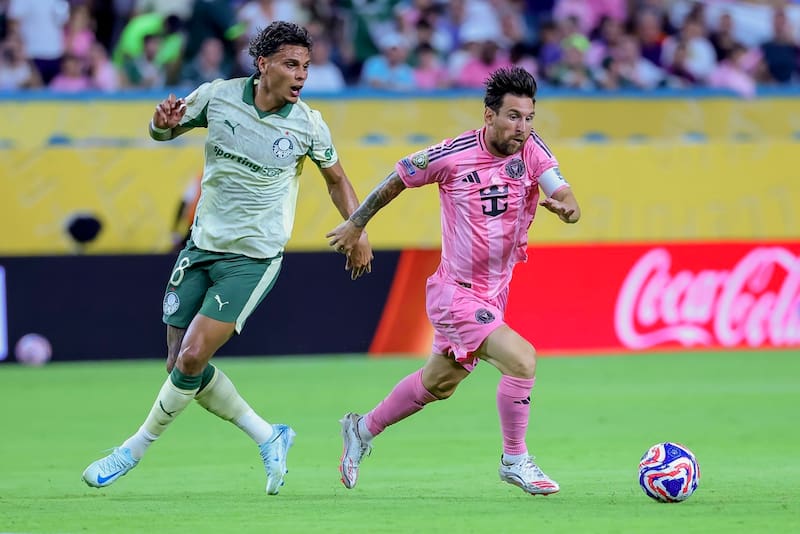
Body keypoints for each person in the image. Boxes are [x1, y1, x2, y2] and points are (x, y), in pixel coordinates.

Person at [82, 21, 373, 495]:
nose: (301, 75)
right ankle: (268, 435)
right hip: (201, 246)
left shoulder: (307, 124)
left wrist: (357, 226)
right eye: (290, 64)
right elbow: (164, 132)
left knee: (194, 356)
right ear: (263, 64)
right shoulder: (218, 97)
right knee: (179, 364)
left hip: (253, 259)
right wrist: (161, 122)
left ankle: (131, 450)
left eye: (306, 66)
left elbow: (336, 179)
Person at [327, 66, 581, 496]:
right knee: (522, 360)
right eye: (514, 117)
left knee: (438, 383)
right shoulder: (453, 154)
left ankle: (361, 429)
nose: (522, 127)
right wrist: (356, 224)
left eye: (529, 118)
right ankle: (515, 460)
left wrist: (566, 207)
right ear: (489, 115)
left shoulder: (532, 150)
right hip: (454, 294)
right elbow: (397, 180)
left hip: (494, 294)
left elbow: (564, 193)